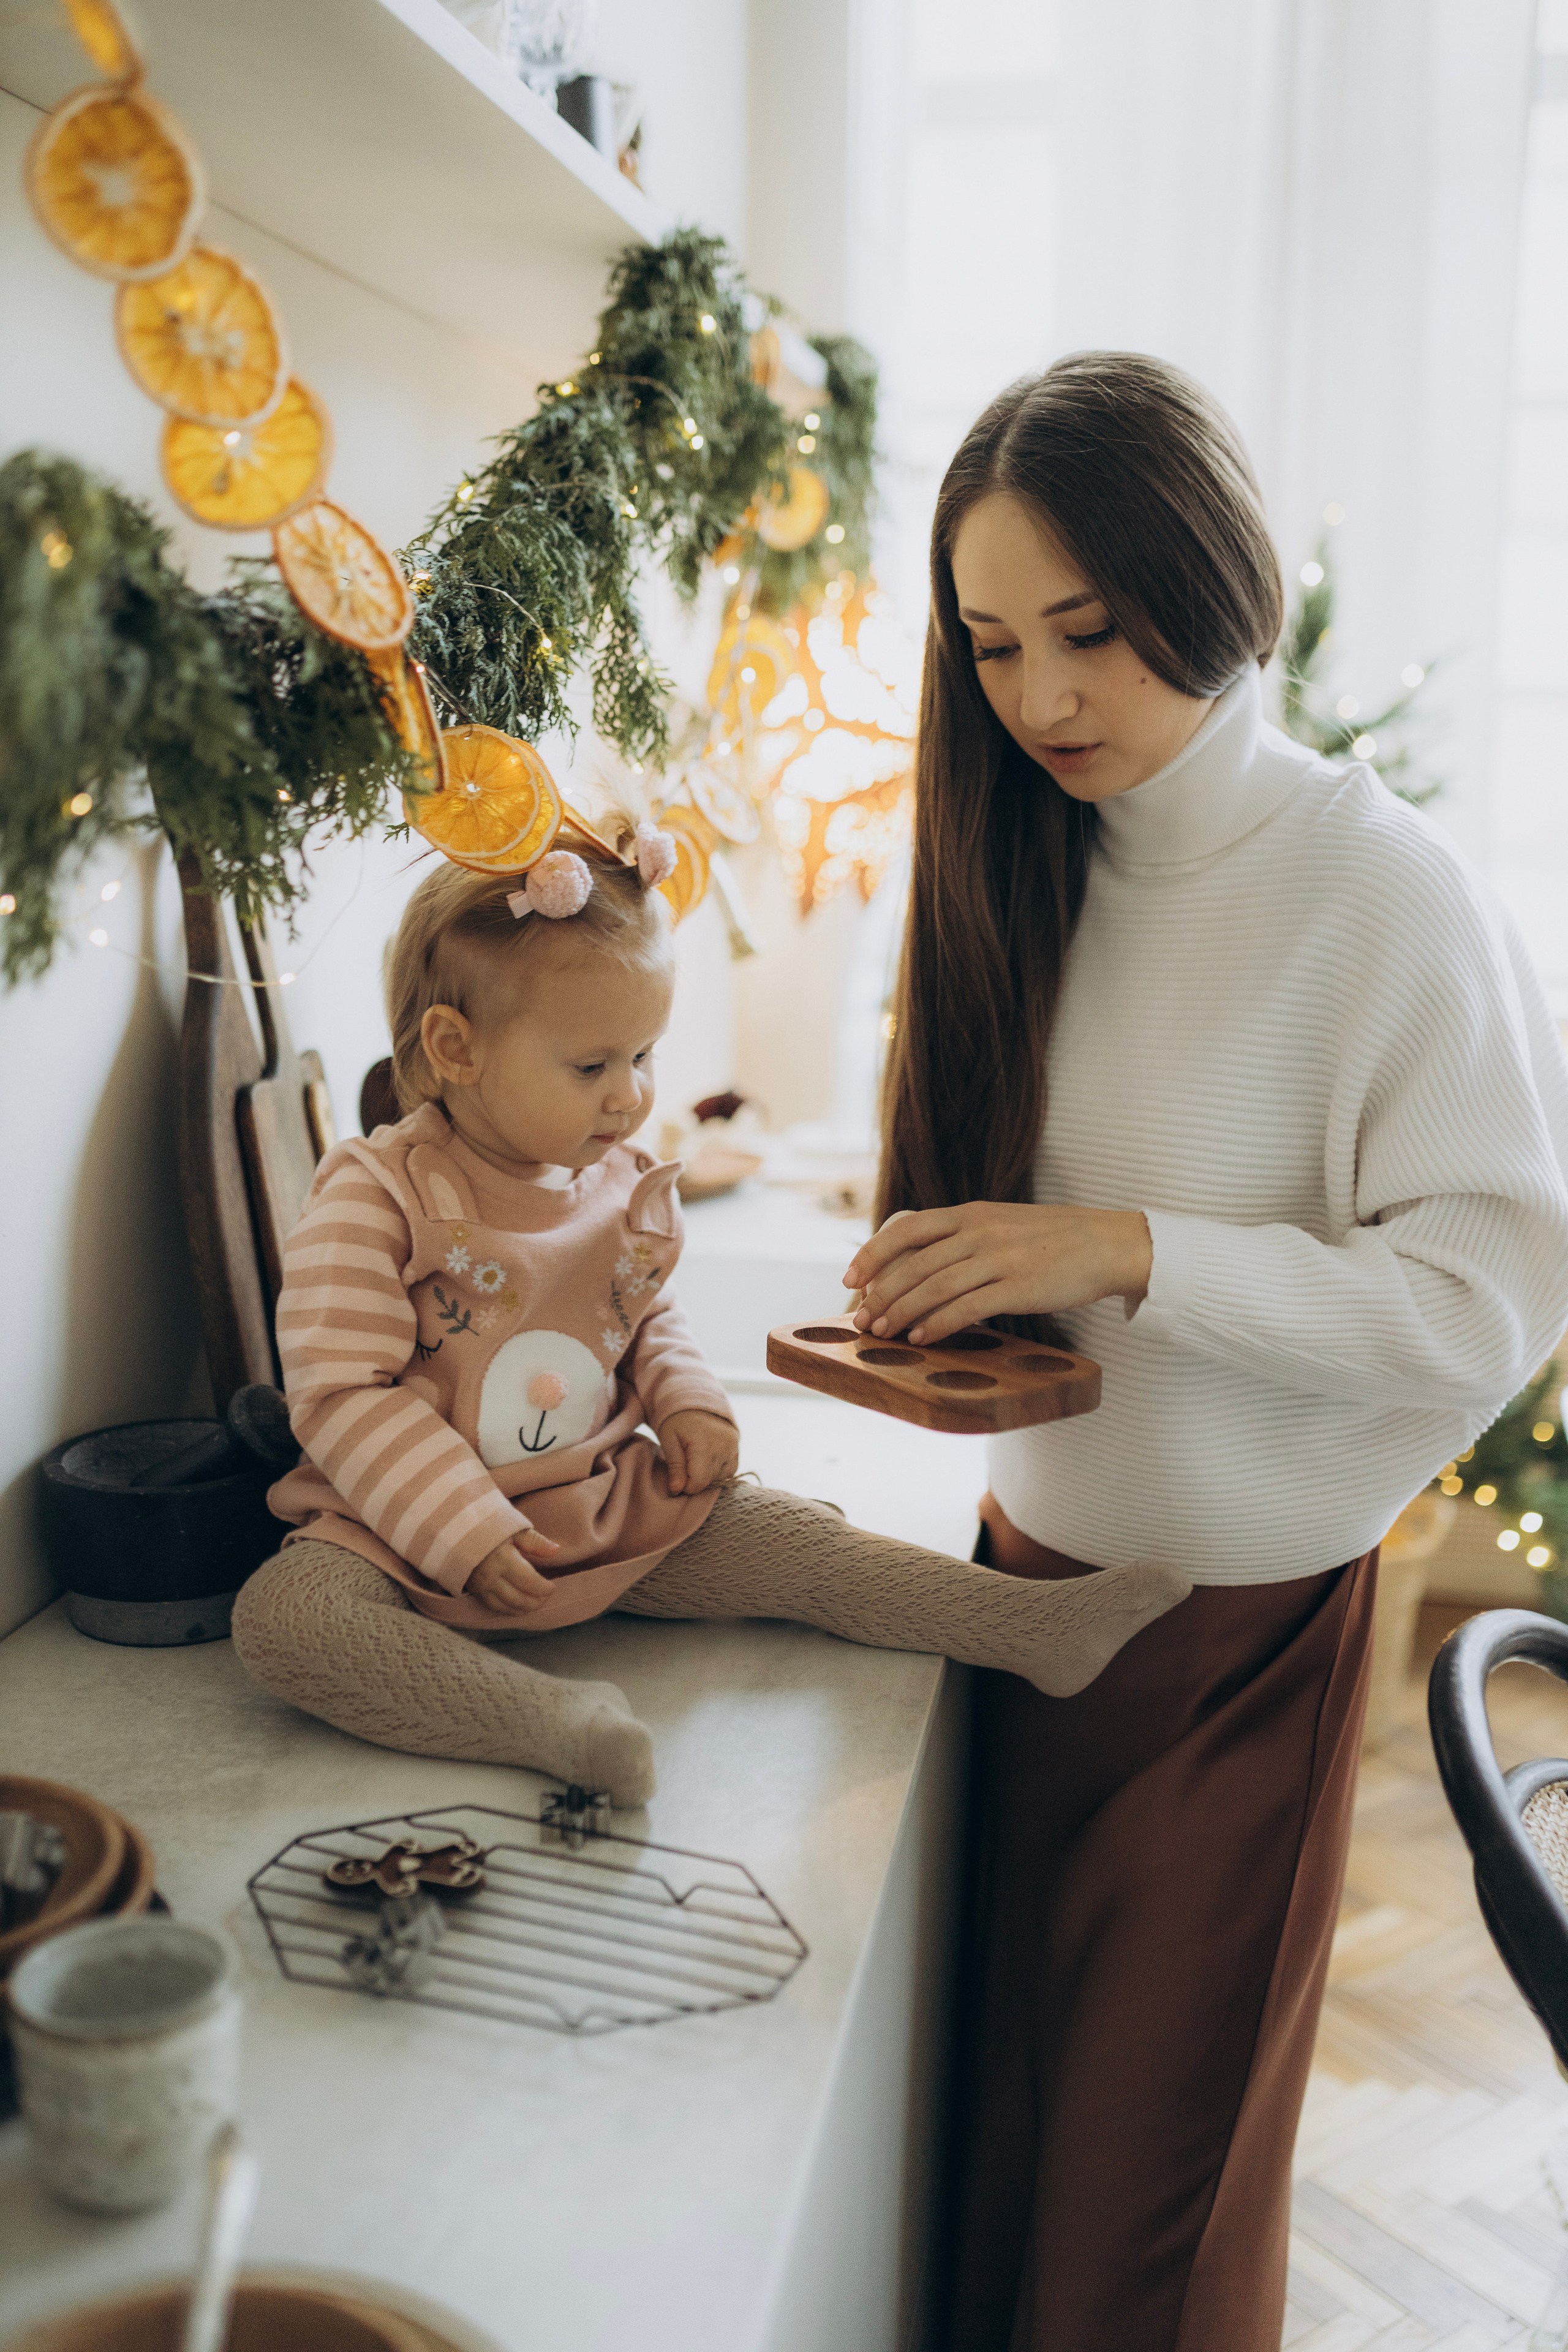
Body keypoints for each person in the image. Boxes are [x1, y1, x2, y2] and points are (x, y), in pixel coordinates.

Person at [843, 352, 1568, 2352]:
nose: (1044, 697)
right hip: (1022, 1609)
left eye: (1087, 629)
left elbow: (1488, 1302)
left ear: (1211, 574)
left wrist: (1135, 1253)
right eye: (990, 646)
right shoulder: (1020, 857)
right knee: (993, 2192)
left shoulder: (1383, 894)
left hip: (1230, 1656)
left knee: (1135, 2257)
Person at [230, 821, 1187, 1807]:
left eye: (644, 1054)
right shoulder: (375, 1193)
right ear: (455, 1048)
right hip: (399, 1527)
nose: (633, 1095)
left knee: (793, 1541)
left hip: (594, 1503)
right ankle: (555, 1725)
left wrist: (688, 1407)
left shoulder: (621, 1182)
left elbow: (644, 1322)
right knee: (286, 1620)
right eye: (593, 1066)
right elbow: (342, 1391)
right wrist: (456, 1523)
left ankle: (1028, 1626)